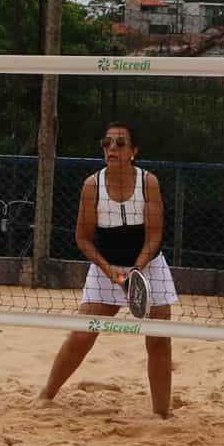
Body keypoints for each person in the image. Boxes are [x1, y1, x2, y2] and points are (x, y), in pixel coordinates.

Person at [39, 122, 174, 418]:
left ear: (133, 151)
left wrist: (136, 271)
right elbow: (82, 238)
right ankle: (46, 395)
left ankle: (162, 414)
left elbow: (154, 235)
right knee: (82, 335)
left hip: (148, 266)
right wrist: (109, 270)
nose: (112, 148)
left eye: (120, 143)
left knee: (159, 340)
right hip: (106, 267)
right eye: (107, 143)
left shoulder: (148, 182)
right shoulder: (92, 185)